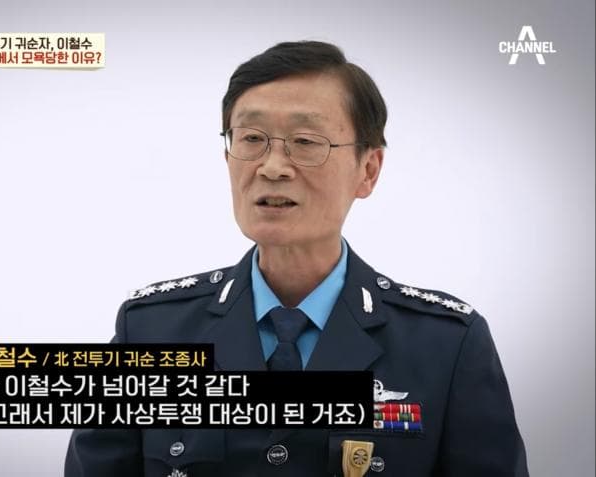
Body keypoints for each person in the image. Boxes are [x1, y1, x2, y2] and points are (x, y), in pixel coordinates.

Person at [65, 40, 528, 476]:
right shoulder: (150, 331)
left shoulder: (446, 345)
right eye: (251, 138)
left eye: (305, 142)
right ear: (228, 158)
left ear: (368, 170)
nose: (271, 167)